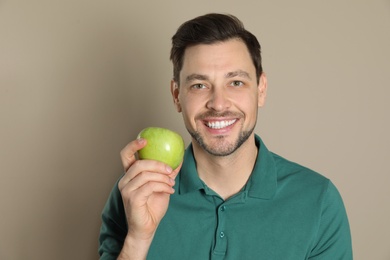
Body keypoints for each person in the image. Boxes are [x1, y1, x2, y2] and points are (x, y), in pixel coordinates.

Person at [98, 13, 353, 259]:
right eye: (199, 85)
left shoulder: (318, 200)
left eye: (236, 83)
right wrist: (138, 239)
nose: (218, 104)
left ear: (261, 90)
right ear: (177, 95)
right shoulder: (134, 192)